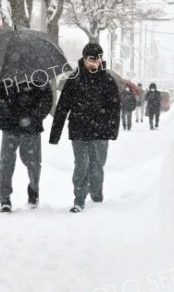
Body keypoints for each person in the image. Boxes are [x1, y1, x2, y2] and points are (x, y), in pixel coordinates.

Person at [49, 43, 121, 213]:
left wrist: (112, 131)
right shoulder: (74, 80)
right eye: (91, 59)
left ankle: (96, 196)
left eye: (97, 59)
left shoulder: (108, 80)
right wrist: (55, 134)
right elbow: (62, 107)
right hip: (78, 130)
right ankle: (79, 198)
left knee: (97, 166)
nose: (94, 62)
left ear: (101, 59)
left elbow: (114, 108)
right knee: (81, 165)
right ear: (84, 58)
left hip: (100, 132)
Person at [0, 79, 53, 213]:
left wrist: (33, 116)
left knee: (33, 162)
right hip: (9, 124)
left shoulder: (39, 73)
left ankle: (33, 193)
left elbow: (47, 99)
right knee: (6, 162)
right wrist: (7, 110)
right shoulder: (4, 73)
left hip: (31, 126)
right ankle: (5, 198)